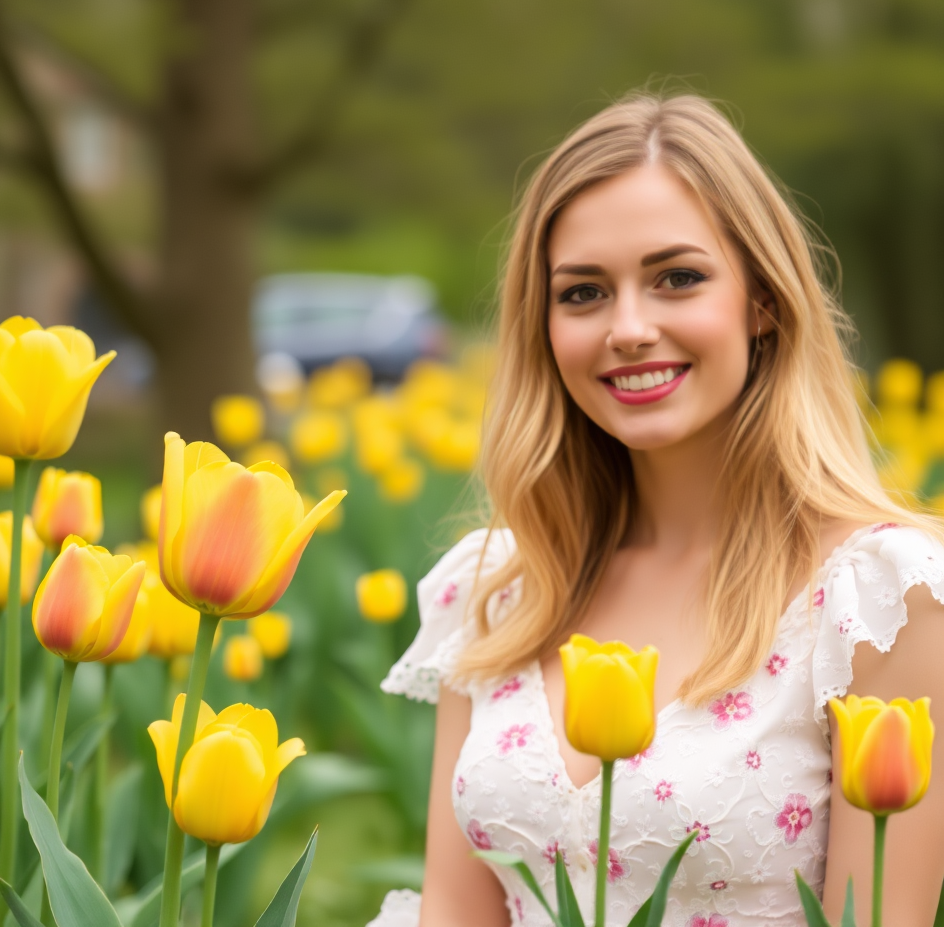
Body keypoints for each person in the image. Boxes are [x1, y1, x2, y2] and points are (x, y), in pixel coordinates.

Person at [367, 93, 944, 927]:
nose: (629, 328)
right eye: (584, 293)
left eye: (678, 278)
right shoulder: (498, 594)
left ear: (763, 301)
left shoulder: (877, 603)